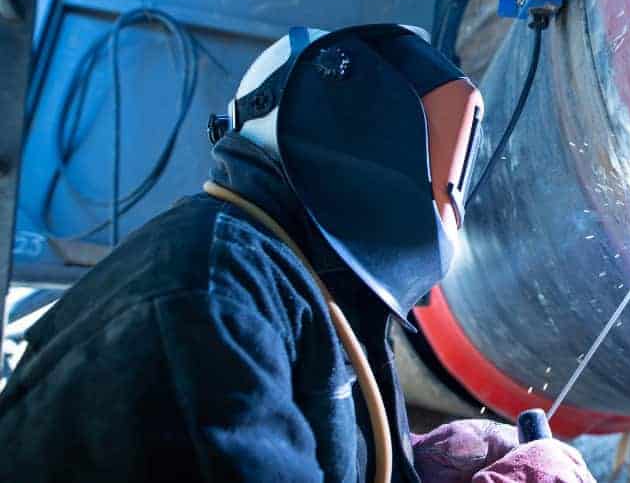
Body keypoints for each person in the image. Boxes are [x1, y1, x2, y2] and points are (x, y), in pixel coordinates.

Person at [0, 24, 595, 483]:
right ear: (368, 124)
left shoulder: (288, 280)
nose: (450, 195)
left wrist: (406, 466)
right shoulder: (210, 297)